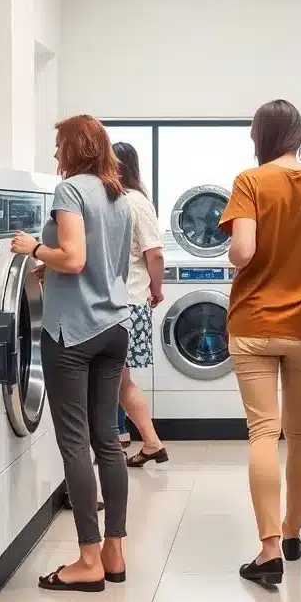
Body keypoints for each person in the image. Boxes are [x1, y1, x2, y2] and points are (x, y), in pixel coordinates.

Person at [219, 99, 301, 587]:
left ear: (260, 136)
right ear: (299, 133)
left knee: (262, 433)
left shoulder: (250, 182)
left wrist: (241, 253)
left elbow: (243, 251)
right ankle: (294, 533)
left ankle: (269, 547)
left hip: (253, 324)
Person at [11, 115, 133, 592]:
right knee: (107, 440)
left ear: (74, 147)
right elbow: (105, 265)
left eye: (59, 144)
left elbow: (76, 257)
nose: (55, 152)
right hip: (113, 326)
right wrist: (55, 270)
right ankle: (115, 551)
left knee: (74, 443)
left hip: (73, 333)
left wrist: (35, 249)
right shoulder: (117, 194)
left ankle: (87, 560)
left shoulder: (70, 192)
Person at [111, 142, 169, 468]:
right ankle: (150, 443)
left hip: (128, 304)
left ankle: (145, 443)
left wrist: (155, 288)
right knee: (120, 382)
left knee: (117, 382)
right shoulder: (127, 202)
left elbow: (155, 253)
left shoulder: (131, 204)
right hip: (130, 303)